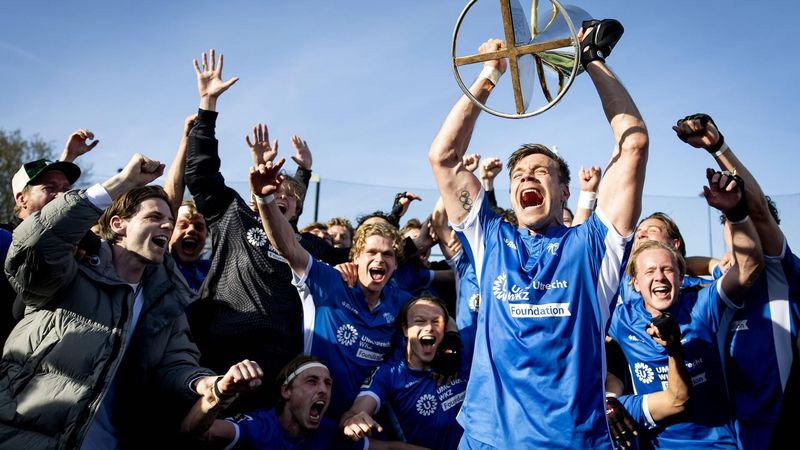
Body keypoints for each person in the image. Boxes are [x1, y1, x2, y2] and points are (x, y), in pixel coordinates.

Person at [428, 18, 645, 448]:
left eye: (541, 171)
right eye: (519, 173)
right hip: (486, 438)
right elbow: (444, 157)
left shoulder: (591, 246)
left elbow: (633, 143)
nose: (528, 176)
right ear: (510, 192)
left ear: (564, 190)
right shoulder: (489, 239)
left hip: (571, 441)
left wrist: (592, 61)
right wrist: (489, 74)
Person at [0, 153, 253, 449]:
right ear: (119, 224)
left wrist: (207, 384)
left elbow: (176, 364)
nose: (167, 227)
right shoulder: (71, 269)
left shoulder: (166, 303)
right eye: (154, 217)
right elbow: (32, 244)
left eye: (170, 221)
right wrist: (121, 183)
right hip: (20, 436)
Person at [183, 50, 331, 412]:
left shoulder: (308, 245)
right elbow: (200, 175)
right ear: (255, 197)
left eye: (288, 196)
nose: (279, 197)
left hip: (279, 372)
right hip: (217, 358)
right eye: (270, 192)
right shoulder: (234, 214)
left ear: (297, 208)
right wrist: (207, 105)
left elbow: (366, 255)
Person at [249, 155, 414, 421]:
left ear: (395, 265)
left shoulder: (401, 303)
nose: (380, 259)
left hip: (362, 422)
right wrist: (265, 199)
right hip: (310, 423)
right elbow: (288, 247)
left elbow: (436, 317)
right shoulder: (328, 282)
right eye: (371, 252)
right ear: (355, 257)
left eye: (388, 255)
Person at [609, 169, 764, 448]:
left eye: (667, 269)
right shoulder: (622, 318)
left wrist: (735, 212)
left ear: (682, 276)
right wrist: (607, 399)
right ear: (634, 281)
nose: (659, 277)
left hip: (715, 443)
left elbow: (750, 265)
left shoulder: (702, 303)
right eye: (650, 271)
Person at [674, 113, 800, 449]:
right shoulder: (725, 277)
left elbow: (756, 210)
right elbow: (697, 264)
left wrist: (718, 147)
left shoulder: (780, 270)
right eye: (732, 224)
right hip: (735, 432)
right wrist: (656, 263)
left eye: (746, 221)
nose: (747, 232)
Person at [1, 129, 99, 345]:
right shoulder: (4, 239)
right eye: (50, 187)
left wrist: (68, 158)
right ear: (21, 199)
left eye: (67, 188)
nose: (63, 194)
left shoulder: (85, 241)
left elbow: (59, 216)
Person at [340, 296, 471, 450]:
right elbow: (354, 413)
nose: (429, 327)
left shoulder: (462, 353)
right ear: (405, 329)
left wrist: (453, 337)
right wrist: (351, 421)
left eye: (436, 322)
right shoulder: (390, 373)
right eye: (420, 321)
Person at [169, 199, 211, 292]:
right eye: (183, 225)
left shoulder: (212, 270)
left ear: (206, 234)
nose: (191, 230)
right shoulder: (157, 266)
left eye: (199, 227)